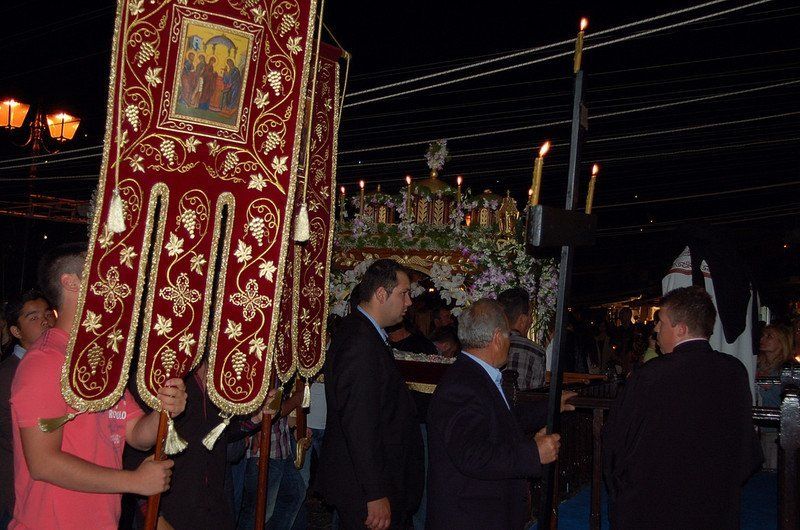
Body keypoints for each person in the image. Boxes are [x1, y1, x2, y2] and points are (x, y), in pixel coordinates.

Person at [9, 243, 187, 530]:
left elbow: (136, 434)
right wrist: (134, 481)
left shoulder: (99, 358)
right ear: (71, 283)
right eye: (106, 273)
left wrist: (164, 409)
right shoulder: (44, 361)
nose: (116, 283)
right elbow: (43, 463)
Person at [603, 286, 762, 530]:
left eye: (661, 323)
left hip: (653, 509)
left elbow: (617, 444)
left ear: (681, 329)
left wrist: (623, 493)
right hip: (716, 510)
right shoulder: (735, 372)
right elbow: (746, 450)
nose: (655, 329)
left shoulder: (650, 376)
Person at [426, 299, 572, 530]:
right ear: (497, 338)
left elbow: (504, 420)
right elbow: (473, 455)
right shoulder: (462, 385)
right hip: (471, 517)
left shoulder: (476, 374)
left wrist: (552, 406)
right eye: (508, 336)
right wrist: (533, 453)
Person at [318, 259, 424, 530]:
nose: (409, 302)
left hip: (377, 482)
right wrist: (375, 492)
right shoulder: (359, 342)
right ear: (380, 294)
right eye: (403, 293)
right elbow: (359, 422)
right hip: (366, 489)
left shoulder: (366, 335)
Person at [0, 290, 55, 528]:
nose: (45, 321)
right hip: (22, 495)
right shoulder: (9, 375)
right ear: (16, 331)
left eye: (47, 314)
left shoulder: (62, 366)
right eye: (33, 317)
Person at [755, 323, 794, 470]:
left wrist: (769, 389)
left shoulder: (787, 370)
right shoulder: (758, 365)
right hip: (760, 429)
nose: (763, 339)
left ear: (781, 342)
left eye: (769, 336)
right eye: (763, 335)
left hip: (776, 431)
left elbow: (790, 404)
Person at [497, 287, 546, 390]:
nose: (532, 320)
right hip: (524, 405)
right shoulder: (536, 352)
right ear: (523, 320)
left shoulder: (490, 344)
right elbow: (537, 394)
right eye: (530, 315)